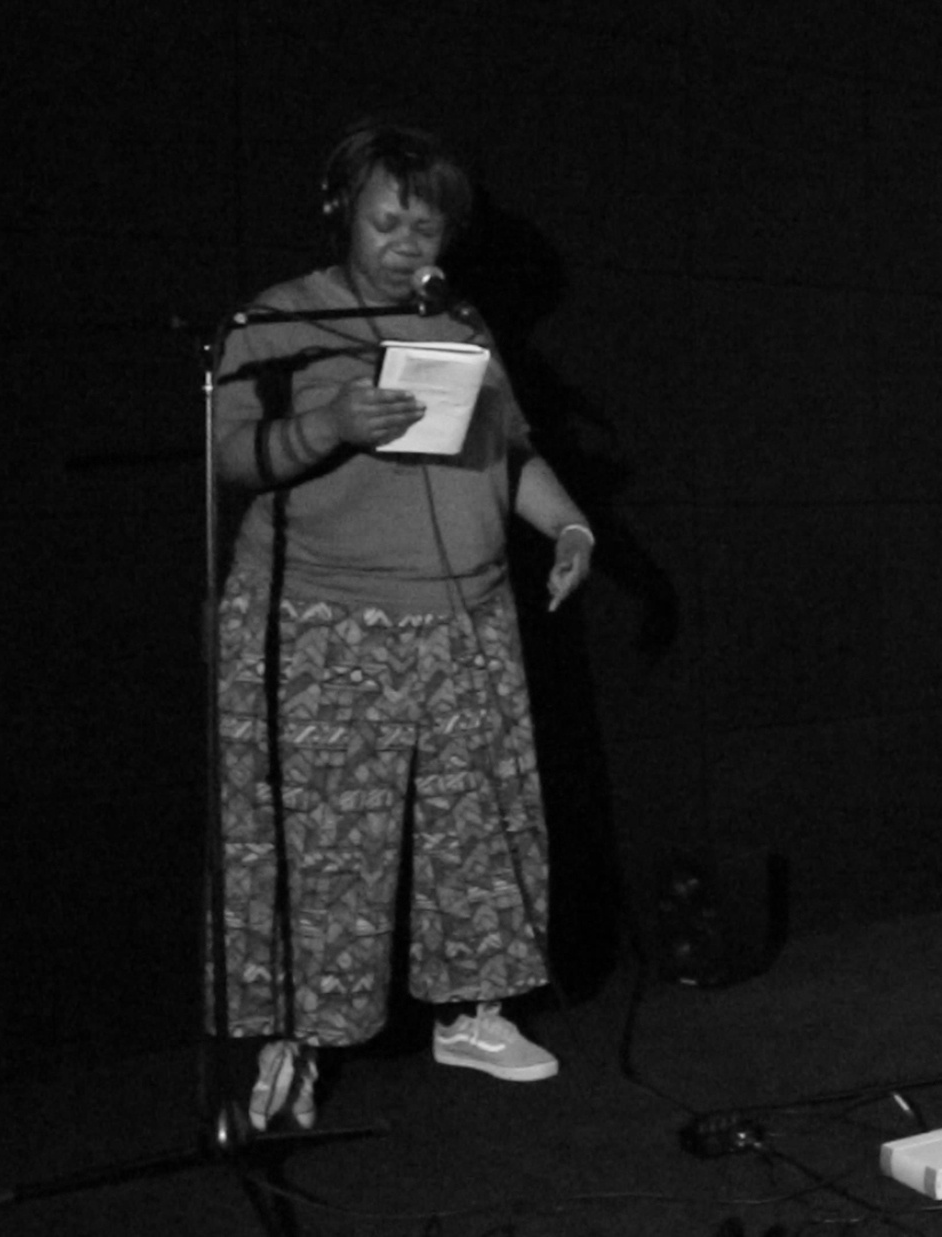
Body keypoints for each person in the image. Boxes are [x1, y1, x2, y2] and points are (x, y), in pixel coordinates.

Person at [209, 122, 595, 1130]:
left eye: (427, 226)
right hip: (328, 617)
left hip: (464, 613)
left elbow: (507, 452)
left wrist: (570, 525)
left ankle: (474, 1013)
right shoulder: (279, 319)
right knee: (323, 839)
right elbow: (230, 457)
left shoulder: (461, 325)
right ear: (344, 210)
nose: (409, 242)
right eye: (389, 219)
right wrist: (329, 427)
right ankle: (292, 1037)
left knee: (480, 820)